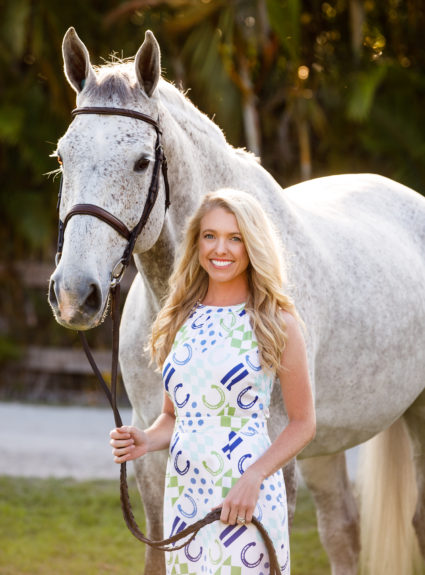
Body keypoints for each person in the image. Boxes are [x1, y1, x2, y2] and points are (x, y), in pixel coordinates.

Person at [110, 189, 316, 574]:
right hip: (185, 498)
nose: (221, 249)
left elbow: (304, 423)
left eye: (235, 237)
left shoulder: (276, 322)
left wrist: (254, 476)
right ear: (196, 242)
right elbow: (175, 416)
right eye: (210, 236)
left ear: (252, 244)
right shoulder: (180, 318)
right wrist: (146, 438)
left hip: (245, 498)